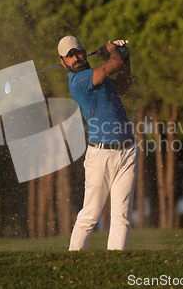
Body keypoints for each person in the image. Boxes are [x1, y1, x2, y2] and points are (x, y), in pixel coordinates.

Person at [58, 35, 139, 250]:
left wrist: (126, 57)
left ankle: (115, 265)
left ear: (84, 52)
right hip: (101, 156)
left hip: (128, 151)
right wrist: (113, 49)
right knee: (90, 214)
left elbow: (123, 86)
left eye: (77, 52)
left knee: (122, 216)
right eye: (70, 56)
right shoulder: (78, 81)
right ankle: (73, 261)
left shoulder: (98, 79)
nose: (75, 57)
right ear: (62, 62)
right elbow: (114, 64)